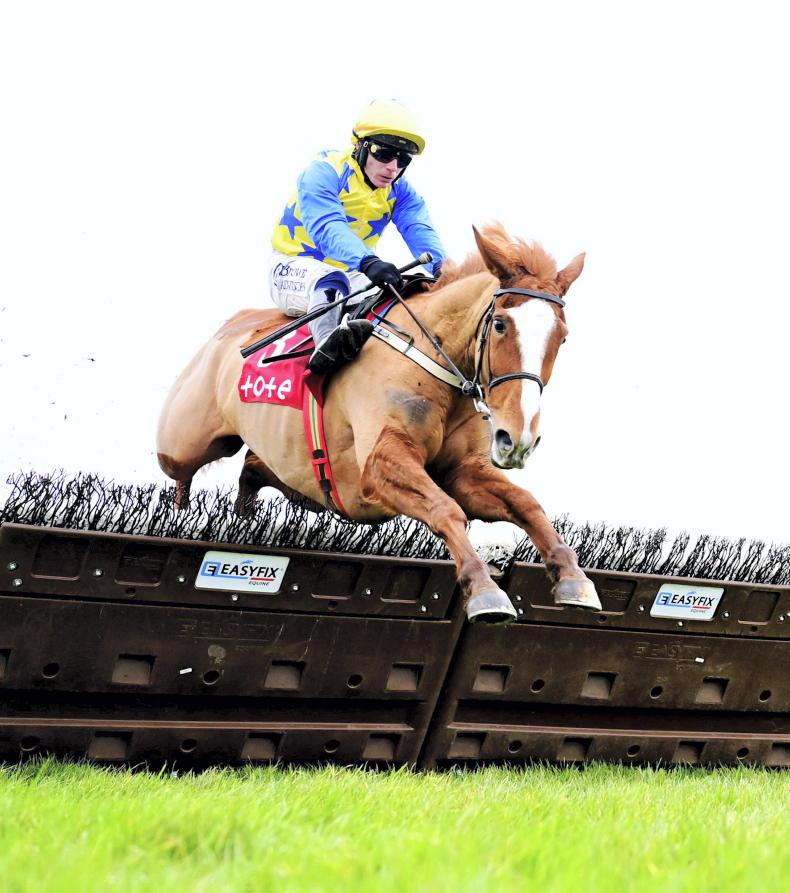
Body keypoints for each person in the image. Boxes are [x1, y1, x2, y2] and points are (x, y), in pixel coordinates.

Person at [269, 99, 446, 374]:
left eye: (403, 160)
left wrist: (444, 270)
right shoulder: (324, 172)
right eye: (384, 154)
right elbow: (328, 227)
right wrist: (368, 261)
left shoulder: (401, 191)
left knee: (405, 290)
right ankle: (326, 347)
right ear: (360, 145)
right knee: (332, 279)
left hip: (353, 273)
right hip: (294, 268)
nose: (393, 167)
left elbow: (419, 230)